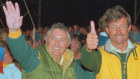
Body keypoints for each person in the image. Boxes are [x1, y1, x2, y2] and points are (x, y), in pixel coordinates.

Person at [3, 1, 95, 79]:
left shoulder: (71, 64)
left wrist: (90, 52)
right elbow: (22, 53)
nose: (57, 44)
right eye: (53, 38)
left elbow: (93, 75)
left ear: (68, 43)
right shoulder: (36, 58)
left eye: (62, 40)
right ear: (46, 39)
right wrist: (14, 31)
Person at [81, 5, 140, 79]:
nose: (118, 32)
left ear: (129, 28)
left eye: (122, 26)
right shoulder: (100, 55)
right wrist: (88, 49)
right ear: (107, 30)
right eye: (113, 27)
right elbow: (87, 61)